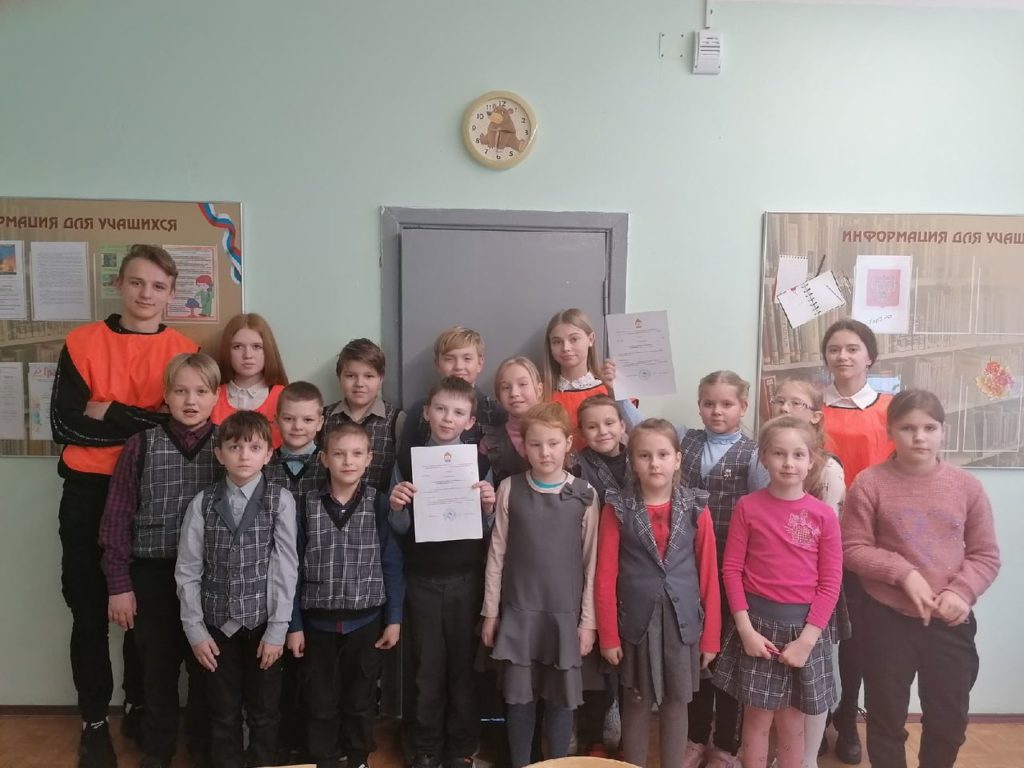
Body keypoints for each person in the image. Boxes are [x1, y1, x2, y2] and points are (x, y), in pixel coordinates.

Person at [50, 244, 198, 768]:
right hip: (87, 494)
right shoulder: (82, 342)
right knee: (89, 610)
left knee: (148, 614)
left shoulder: (183, 349)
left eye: (158, 286)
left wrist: (109, 409)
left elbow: (183, 421)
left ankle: (139, 708)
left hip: (155, 492)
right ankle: (94, 723)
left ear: (172, 294)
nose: (146, 294)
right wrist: (146, 418)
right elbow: (64, 425)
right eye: (137, 282)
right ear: (119, 285)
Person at [842, 389, 1000, 768]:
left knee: (948, 721)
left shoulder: (966, 486)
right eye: (908, 428)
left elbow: (985, 555)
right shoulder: (869, 483)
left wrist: (961, 592)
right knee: (885, 720)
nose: (919, 437)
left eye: (929, 428)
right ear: (890, 432)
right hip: (885, 620)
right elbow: (852, 547)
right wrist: (903, 573)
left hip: (949, 621)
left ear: (943, 431)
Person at [99, 352, 221, 768]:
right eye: (181, 391)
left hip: (211, 578)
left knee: (208, 668)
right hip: (152, 574)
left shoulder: (229, 447)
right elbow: (117, 517)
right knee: (157, 669)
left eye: (201, 391)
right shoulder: (141, 445)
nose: (191, 400)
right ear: (166, 396)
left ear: (216, 396)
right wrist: (119, 584)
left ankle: (203, 748)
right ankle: (158, 750)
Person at [712, 416, 842, 768]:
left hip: (804, 632)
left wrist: (807, 641)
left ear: (811, 460)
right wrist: (745, 631)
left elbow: (830, 583)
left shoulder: (823, 516)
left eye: (798, 454)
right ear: (764, 458)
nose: (788, 462)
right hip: (757, 628)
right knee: (755, 720)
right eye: (779, 453)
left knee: (792, 723)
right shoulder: (748, 507)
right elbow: (731, 570)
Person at [175, 411, 299, 768]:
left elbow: (285, 568)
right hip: (216, 629)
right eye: (234, 447)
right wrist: (195, 629)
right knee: (222, 711)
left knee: (265, 711)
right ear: (219, 454)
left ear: (268, 454)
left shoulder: (280, 501)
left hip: (264, 626)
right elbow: (188, 569)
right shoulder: (202, 502)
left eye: (254, 447)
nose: (244, 455)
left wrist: (278, 629)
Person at [595, 418, 722, 768]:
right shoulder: (617, 508)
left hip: (682, 627)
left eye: (663, 454)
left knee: (676, 705)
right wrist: (608, 635)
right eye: (645, 455)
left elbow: (709, 576)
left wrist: (711, 637)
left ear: (677, 459)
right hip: (635, 626)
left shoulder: (696, 507)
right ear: (633, 462)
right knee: (635, 703)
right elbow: (605, 576)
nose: (654, 463)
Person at [481, 402, 600, 768]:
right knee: (520, 700)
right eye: (535, 444)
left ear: (568, 443)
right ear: (524, 446)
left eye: (552, 443)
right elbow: (497, 554)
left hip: (563, 617)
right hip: (519, 614)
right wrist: (490, 612)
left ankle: (557, 763)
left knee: (560, 701)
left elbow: (591, 563)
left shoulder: (585, 494)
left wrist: (588, 621)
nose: (544, 452)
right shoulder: (509, 489)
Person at [389, 376, 496, 768]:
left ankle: (462, 747)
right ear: (426, 412)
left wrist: (488, 506)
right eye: (441, 409)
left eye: (458, 412)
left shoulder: (480, 464)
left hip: (467, 579)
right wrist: (396, 507)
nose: (448, 418)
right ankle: (425, 746)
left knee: (464, 668)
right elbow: (399, 529)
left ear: (470, 421)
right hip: (422, 580)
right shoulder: (407, 461)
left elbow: (488, 529)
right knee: (426, 667)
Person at [287, 422, 404, 768]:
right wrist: (294, 624)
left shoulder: (379, 504)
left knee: (361, 699)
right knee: (319, 699)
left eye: (356, 454)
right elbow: (290, 569)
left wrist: (394, 619)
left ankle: (357, 758)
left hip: (366, 622)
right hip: (317, 624)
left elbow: (392, 564)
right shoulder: (305, 505)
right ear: (323, 458)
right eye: (339, 454)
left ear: (369, 458)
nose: (348, 461)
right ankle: (323, 758)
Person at [681, 370, 770, 768]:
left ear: (743, 407)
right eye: (709, 403)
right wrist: (621, 389)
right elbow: (635, 424)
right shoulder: (684, 440)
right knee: (698, 653)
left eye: (726, 404)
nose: (717, 411)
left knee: (730, 658)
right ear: (699, 405)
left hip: (733, 569)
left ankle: (726, 745)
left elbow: (763, 510)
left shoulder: (753, 454)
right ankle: (695, 736)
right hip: (688, 564)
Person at [819, 319, 894, 765]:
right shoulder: (811, 407)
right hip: (813, 537)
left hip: (867, 538)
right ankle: (812, 714)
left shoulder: (889, 408)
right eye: (834, 349)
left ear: (870, 356)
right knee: (810, 629)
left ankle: (847, 718)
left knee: (857, 637)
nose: (843, 356)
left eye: (852, 348)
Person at [768, 379, 847, 767]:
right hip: (771, 592)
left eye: (796, 403)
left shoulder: (827, 470)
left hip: (813, 593)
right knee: (774, 678)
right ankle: (781, 752)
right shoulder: (768, 457)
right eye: (779, 400)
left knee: (813, 681)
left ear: (816, 416)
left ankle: (808, 758)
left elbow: (828, 546)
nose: (785, 407)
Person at [263, 380, 327, 762]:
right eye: (289, 419)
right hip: (272, 581)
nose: (298, 427)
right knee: (277, 672)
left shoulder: (332, 462)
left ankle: (311, 743)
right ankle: (280, 743)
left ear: (320, 421)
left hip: (320, 581)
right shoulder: (262, 464)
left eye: (306, 419)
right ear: (276, 420)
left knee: (315, 670)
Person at [570, 394, 630, 757]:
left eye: (609, 423)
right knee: (594, 659)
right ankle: (592, 734)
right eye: (592, 426)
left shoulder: (641, 456)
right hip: (592, 564)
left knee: (628, 654)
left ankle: (624, 732)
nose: (603, 431)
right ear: (581, 432)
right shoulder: (576, 466)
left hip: (634, 567)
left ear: (623, 425)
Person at [398, 326, 505, 451]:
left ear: (480, 363)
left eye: (467, 359)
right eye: (449, 359)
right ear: (437, 364)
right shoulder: (419, 410)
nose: (458, 366)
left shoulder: (495, 413)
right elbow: (406, 456)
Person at [542, 308, 638, 449]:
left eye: (574, 339)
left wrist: (615, 394)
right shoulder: (542, 393)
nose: (566, 348)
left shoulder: (609, 388)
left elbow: (640, 435)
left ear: (591, 339)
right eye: (557, 342)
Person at [323, 338, 401, 493]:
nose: (359, 383)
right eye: (351, 376)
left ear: (381, 379)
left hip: (381, 505)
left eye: (369, 376)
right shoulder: (323, 418)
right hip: (332, 506)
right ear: (339, 377)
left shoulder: (397, 420)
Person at [211, 312, 289, 449]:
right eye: (238, 347)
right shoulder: (212, 396)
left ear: (268, 350)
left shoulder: (285, 396)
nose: (247, 355)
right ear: (227, 351)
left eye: (256, 346)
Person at [479, 356, 545, 487]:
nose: (514, 393)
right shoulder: (490, 443)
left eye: (523, 384)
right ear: (498, 397)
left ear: (539, 390)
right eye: (505, 387)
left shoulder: (557, 434)